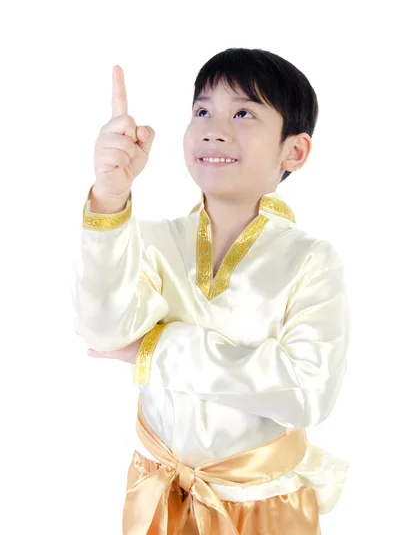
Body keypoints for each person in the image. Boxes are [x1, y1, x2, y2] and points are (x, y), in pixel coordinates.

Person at [73, 49, 350, 534]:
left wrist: (156, 347)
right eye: (202, 110)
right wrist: (110, 198)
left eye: (243, 113)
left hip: (265, 506)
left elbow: (307, 391)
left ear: (295, 151)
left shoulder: (310, 261)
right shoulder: (153, 241)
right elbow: (102, 329)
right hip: (159, 497)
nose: (214, 128)